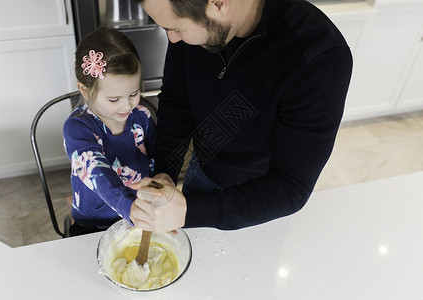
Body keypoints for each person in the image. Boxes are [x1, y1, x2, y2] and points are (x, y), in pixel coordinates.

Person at [129, 0, 353, 232]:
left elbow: (291, 185)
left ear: (218, 4)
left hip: (262, 201)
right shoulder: (195, 20)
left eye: (176, 28)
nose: (172, 38)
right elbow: (177, 100)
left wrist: (190, 211)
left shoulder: (320, 57)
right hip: (202, 171)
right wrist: (166, 171)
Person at [63, 27, 156, 236]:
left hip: (140, 214)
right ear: (84, 90)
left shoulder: (142, 117)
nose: (126, 106)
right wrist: (130, 208)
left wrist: (157, 190)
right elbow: (96, 171)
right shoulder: (77, 128)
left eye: (134, 93)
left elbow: (155, 161)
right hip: (93, 223)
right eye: (114, 99)